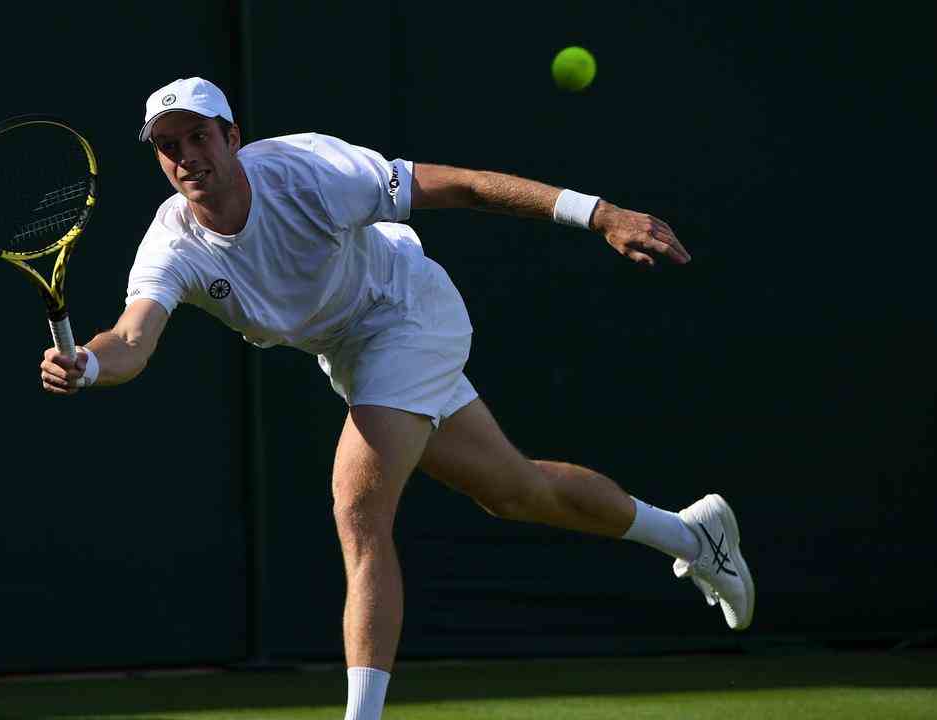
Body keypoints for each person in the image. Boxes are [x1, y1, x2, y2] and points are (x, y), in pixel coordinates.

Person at [39, 77, 754, 720]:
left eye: (199, 136)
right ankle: (693, 535)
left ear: (233, 137)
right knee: (518, 491)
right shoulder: (172, 244)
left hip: (406, 310)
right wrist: (90, 368)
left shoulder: (310, 172)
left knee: (358, 506)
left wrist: (597, 214)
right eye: (168, 145)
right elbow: (130, 339)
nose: (186, 155)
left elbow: (465, 186)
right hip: (350, 354)